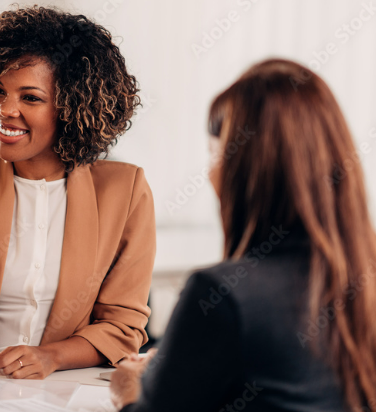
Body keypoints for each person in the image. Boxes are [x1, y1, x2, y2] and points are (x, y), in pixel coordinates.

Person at [110, 59, 376, 411]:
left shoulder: (222, 295)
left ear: (245, 168)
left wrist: (130, 391)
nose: (210, 173)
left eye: (216, 153)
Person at [0, 6, 156, 379]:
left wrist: (51, 357)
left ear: (72, 107)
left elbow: (122, 326)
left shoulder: (124, 192)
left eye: (30, 98)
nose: (5, 110)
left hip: (64, 386)